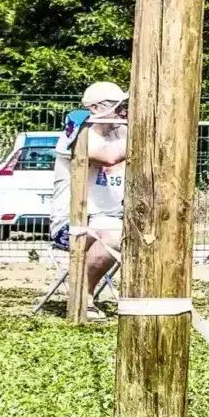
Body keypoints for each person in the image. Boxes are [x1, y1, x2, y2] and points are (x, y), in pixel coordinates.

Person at [63, 81, 128, 320]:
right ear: (97, 108)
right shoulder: (77, 135)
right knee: (116, 236)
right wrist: (145, 134)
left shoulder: (121, 132)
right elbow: (109, 157)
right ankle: (83, 297)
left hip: (110, 217)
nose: (124, 112)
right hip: (72, 221)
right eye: (119, 107)